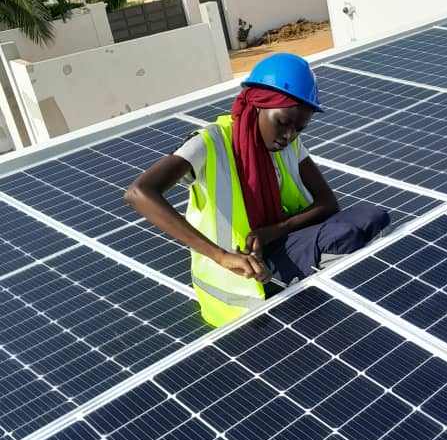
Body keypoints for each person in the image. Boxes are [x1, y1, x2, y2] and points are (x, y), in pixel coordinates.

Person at [125, 53, 389, 327]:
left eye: (299, 129)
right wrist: (222, 257)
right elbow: (138, 193)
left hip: (275, 245)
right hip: (237, 278)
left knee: (372, 217)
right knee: (343, 238)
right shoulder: (210, 143)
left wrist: (274, 230)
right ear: (258, 104)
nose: (289, 136)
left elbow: (327, 203)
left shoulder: (289, 145)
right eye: (283, 122)